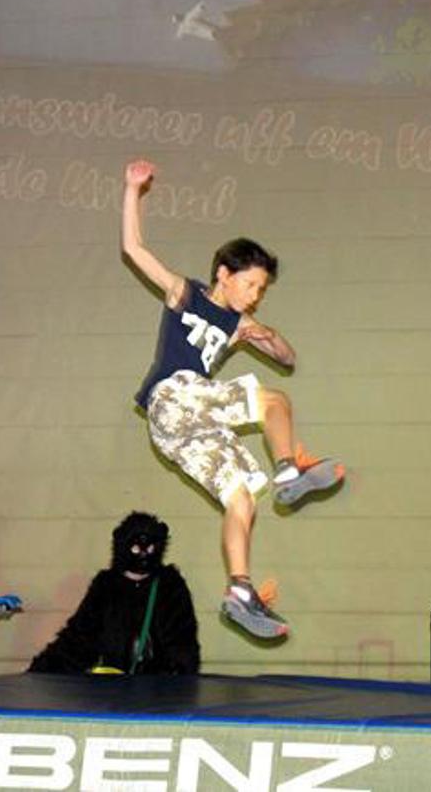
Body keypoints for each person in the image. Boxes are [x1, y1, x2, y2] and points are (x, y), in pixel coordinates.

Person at [122, 158, 343, 639]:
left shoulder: (240, 324)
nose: (255, 295)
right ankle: (288, 470)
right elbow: (133, 248)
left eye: (262, 289)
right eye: (250, 284)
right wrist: (133, 190)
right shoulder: (186, 294)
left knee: (241, 497)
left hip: (179, 433)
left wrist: (267, 334)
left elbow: (287, 358)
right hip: (172, 398)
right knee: (274, 402)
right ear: (224, 274)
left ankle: (240, 591)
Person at [28, 511, 199, 675]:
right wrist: (40, 671)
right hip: (115, 685)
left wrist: (169, 679)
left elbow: (182, 645)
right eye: (136, 548)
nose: (143, 555)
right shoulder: (106, 586)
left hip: (159, 687)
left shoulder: (170, 586)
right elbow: (78, 640)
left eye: (149, 548)